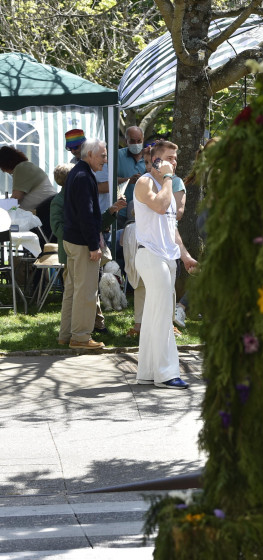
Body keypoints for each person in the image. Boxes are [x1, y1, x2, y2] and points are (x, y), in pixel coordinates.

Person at [133, 141, 198, 389]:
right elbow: (160, 207)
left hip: (167, 256)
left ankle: (148, 372)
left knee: (154, 315)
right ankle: (167, 374)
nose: (175, 162)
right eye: (170, 157)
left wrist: (185, 255)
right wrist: (168, 178)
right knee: (163, 317)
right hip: (150, 255)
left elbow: (171, 227)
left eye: (176, 158)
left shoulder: (165, 186)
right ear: (156, 160)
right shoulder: (146, 182)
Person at [51, 163, 125, 345]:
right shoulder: (60, 201)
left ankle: (69, 335)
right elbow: (59, 228)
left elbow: (91, 224)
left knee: (78, 293)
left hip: (79, 249)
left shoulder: (70, 198)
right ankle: (79, 336)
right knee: (80, 294)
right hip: (75, 252)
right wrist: (80, 236)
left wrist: (111, 211)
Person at [61, 139, 110, 350]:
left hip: (72, 240)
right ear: (89, 154)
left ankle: (66, 335)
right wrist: (93, 245)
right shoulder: (83, 176)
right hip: (81, 242)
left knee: (72, 290)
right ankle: (80, 337)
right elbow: (86, 214)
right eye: (102, 156)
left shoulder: (78, 172)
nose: (105, 161)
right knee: (86, 291)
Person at [0, 146, 57, 214]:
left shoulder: (21, 168)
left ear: (5, 163)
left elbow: (16, 198)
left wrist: (5, 209)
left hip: (44, 210)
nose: (3, 171)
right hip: (47, 207)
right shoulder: (26, 166)